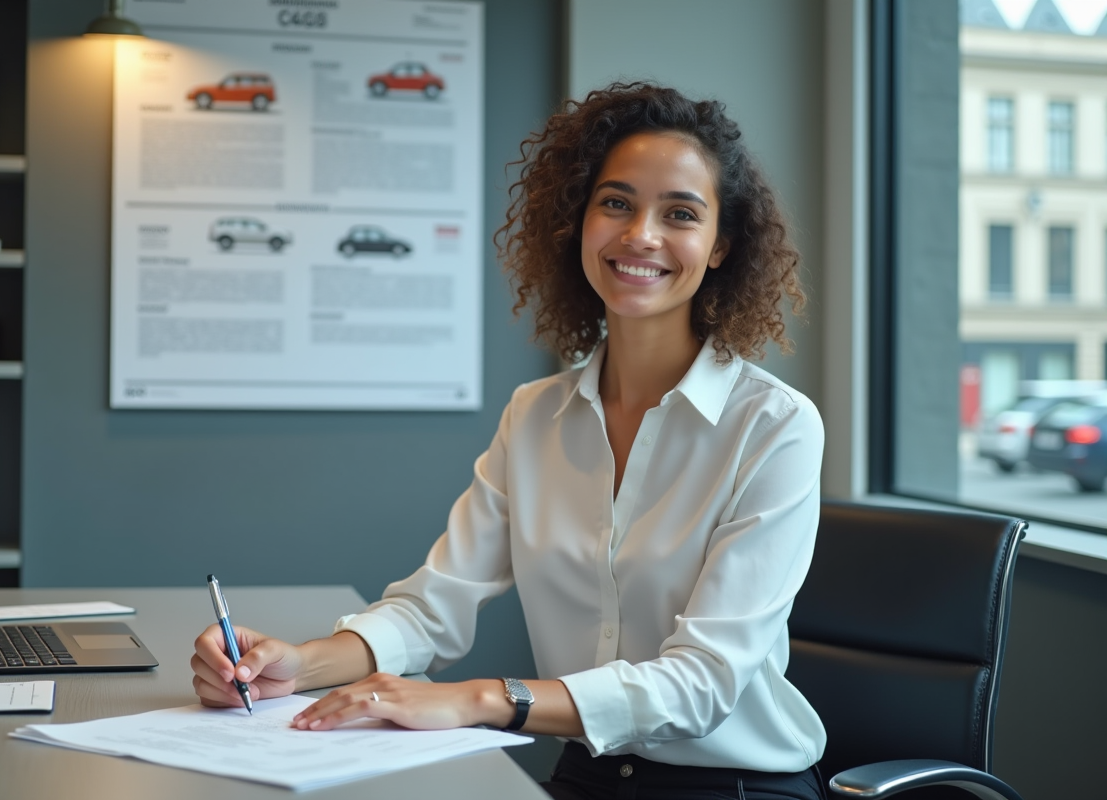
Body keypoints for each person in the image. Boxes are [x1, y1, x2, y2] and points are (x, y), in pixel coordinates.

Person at [191, 82, 827, 800]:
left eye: (679, 213)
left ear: (720, 247)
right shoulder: (536, 416)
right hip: (587, 774)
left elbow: (703, 681)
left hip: (738, 788)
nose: (641, 234)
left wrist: (480, 700)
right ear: (578, 223)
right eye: (615, 203)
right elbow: (433, 607)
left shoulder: (774, 427)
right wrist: (295, 664)